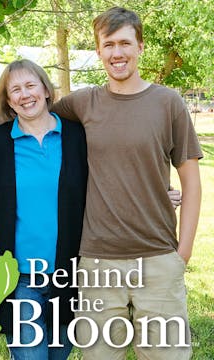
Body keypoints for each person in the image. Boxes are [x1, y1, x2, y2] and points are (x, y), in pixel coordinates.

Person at [51, 7, 202, 359]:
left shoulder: (169, 103)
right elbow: (31, 114)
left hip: (158, 257)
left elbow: (192, 182)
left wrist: (183, 252)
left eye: (124, 43)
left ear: (140, 47)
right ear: (99, 50)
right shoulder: (83, 102)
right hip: (98, 262)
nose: (116, 53)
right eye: (108, 45)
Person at [0, 59, 87, 359]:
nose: (25, 94)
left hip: (67, 273)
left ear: (45, 89)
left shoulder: (76, 136)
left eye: (30, 85)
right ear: (8, 99)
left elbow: (105, 182)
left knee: (60, 354)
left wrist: (158, 193)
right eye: (16, 89)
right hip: (19, 277)